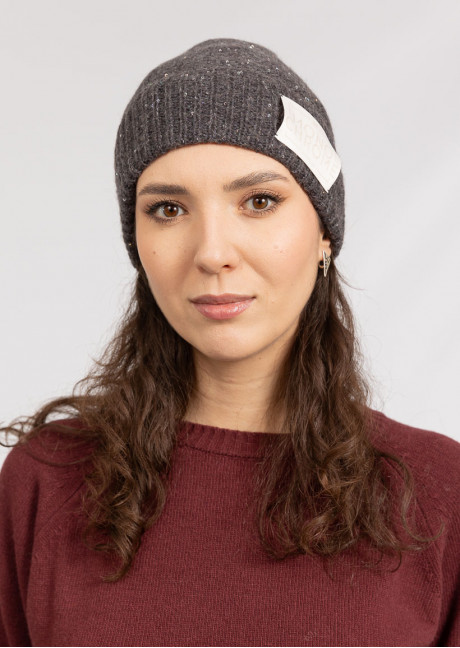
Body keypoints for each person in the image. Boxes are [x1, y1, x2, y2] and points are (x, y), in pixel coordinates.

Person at [0, 38, 458, 647]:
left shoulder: (438, 493)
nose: (212, 252)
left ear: (324, 233)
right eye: (168, 209)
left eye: (259, 201)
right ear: (137, 243)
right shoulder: (45, 483)